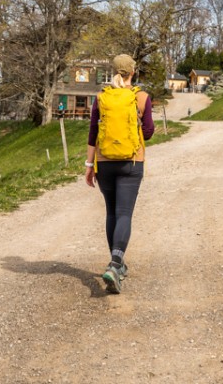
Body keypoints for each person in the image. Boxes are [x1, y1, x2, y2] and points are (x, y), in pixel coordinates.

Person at [84, 53, 155, 294]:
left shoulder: (101, 98)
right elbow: (148, 132)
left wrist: (88, 165)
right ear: (133, 73)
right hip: (131, 163)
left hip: (104, 163)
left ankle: (117, 264)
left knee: (111, 212)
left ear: (112, 71)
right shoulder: (142, 98)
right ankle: (115, 264)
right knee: (124, 213)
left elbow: (93, 132)